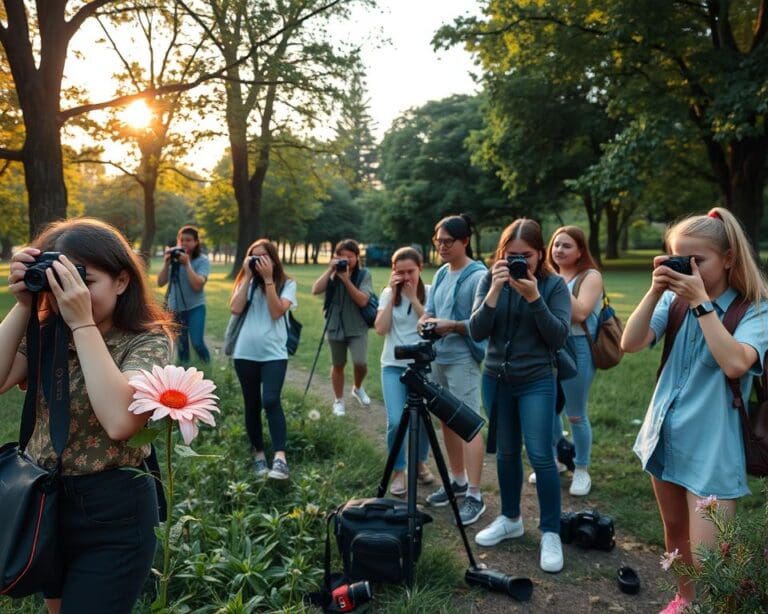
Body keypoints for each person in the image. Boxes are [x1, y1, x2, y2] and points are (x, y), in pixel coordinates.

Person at [0, 218, 174, 613]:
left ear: (122, 281)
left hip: (115, 513)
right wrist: (24, 303)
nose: (69, 294)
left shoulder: (146, 341)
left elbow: (120, 421)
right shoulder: (46, 330)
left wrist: (82, 324)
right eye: (59, 280)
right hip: (47, 503)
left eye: (83, 280)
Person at [621, 207, 768, 613]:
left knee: (712, 557)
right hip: (666, 435)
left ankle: (710, 606)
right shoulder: (673, 301)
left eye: (696, 260)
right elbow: (629, 344)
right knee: (676, 533)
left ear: (728, 259)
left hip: (713, 448)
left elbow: (736, 364)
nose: (686, 269)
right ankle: (683, 601)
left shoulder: (755, 309)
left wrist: (703, 304)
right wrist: (655, 291)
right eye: (677, 258)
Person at [469, 218, 571, 573]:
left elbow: (558, 337)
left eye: (525, 255)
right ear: (500, 254)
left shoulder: (553, 284)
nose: (518, 262)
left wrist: (533, 297)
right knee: (506, 453)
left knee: (542, 456)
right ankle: (511, 518)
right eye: (510, 254)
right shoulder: (488, 279)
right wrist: (496, 292)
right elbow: (477, 331)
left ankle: (551, 531)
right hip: (496, 379)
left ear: (540, 253)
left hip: (537, 380)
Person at [420, 214, 488, 527]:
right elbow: (432, 310)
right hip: (439, 358)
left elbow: (481, 325)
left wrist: (452, 326)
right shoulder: (443, 273)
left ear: (465, 241)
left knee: (469, 423)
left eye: (448, 241)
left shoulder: (479, 276)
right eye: (438, 241)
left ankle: (475, 495)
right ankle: (457, 481)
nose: (442, 247)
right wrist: (427, 320)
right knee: (447, 420)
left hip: (463, 359)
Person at [540, 225, 604, 496]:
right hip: (548, 347)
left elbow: (579, 313)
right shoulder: (547, 276)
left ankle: (581, 469)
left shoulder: (590, 276)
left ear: (580, 251)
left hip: (577, 347)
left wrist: (554, 282)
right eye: (556, 245)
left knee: (575, 413)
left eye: (567, 246)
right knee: (547, 410)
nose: (559, 250)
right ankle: (556, 460)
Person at [229, 239, 297, 480]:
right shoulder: (245, 281)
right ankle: (258, 454)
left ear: (273, 259)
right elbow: (235, 309)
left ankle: (280, 457)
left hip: (274, 353)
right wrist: (247, 276)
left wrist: (268, 280)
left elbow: (276, 311)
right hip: (245, 353)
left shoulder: (287, 284)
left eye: (263, 257)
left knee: (270, 400)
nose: (258, 262)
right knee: (252, 404)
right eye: (253, 257)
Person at [374, 247, 434, 496]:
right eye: (401, 272)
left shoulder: (430, 292)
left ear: (420, 268)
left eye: (411, 271)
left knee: (421, 417)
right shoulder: (388, 293)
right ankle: (399, 470)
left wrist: (414, 300)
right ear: (393, 272)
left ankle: (419, 462)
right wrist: (392, 296)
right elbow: (380, 328)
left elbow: (430, 327)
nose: (406, 277)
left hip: (421, 365)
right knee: (397, 420)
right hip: (392, 365)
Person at [311, 239, 373, 417]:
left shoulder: (364, 275)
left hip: (357, 327)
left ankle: (358, 388)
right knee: (338, 364)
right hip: (335, 326)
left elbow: (363, 300)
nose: (346, 260)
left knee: (360, 363)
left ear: (356, 257)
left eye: (350, 256)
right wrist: (330, 270)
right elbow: (316, 290)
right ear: (335, 257)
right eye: (341, 256)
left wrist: (346, 280)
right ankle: (338, 400)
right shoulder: (332, 273)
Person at [157, 225, 211, 363]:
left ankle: (207, 366)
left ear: (196, 242)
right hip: (175, 308)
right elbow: (161, 282)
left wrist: (187, 264)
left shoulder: (202, 260)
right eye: (182, 240)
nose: (185, 243)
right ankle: (184, 371)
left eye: (188, 240)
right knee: (181, 346)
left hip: (195, 307)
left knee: (197, 342)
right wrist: (166, 263)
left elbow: (198, 285)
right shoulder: (174, 259)